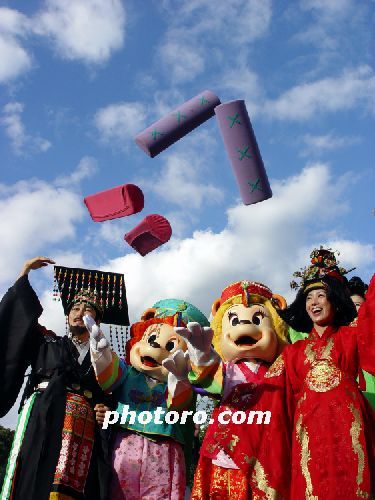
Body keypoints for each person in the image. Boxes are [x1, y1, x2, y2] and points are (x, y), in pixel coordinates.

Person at [0, 257, 129, 500]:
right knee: (35, 477)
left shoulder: (107, 360)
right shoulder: (46, 342)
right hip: (44, 416)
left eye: (87, 310)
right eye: (75, 309)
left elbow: (114, 396)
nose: (79, 313)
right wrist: (23, 273)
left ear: (97, 320)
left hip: (85, 428)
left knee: (78, 486)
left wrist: (106, 410)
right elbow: (19, 322)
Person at [272, 247, 375, 498]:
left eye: (321, 295)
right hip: (309, 434)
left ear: (336, 301)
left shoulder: (351, 336)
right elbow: (272, 397)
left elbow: (372, 324)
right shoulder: (292, 353)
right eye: (309, 297)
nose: (314, 302)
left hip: (351, 431)